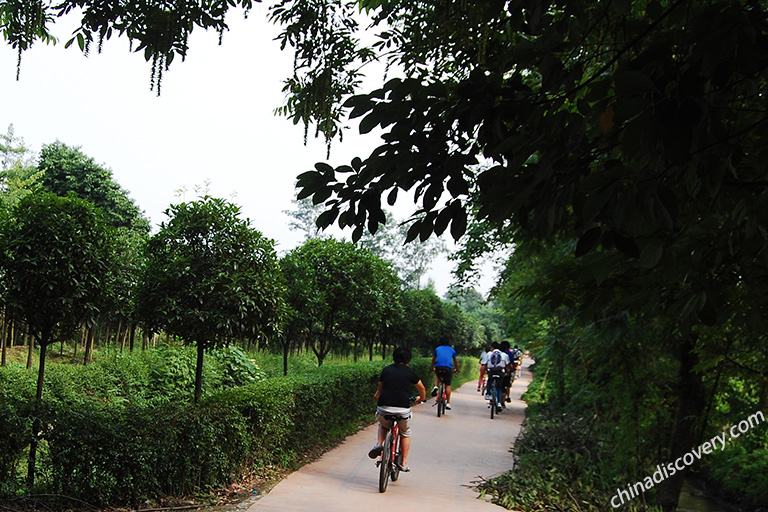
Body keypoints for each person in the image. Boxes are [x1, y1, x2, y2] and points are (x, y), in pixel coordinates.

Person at [368, 346, 426, 472]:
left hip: (384, 408)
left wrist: (377, 395)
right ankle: (404, 463)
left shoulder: (386, 370)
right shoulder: (410, 372)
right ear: (408, 360)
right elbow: (422, 388)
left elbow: (380, 388)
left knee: (383, 425)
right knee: (405, 433)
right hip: (402, 410)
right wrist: (421, 399)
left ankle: (379, 444)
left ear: (394, 357)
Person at [430, 336, 460, 409]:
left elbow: (433, 360)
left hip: (439, 367)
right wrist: (457, 369)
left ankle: (436, 386)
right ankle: (448, 403)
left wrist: (432, 367)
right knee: (447, 385)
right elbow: (455, 361)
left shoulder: (437, 349)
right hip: (448, 368)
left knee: (437, 374)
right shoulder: (452, 350)